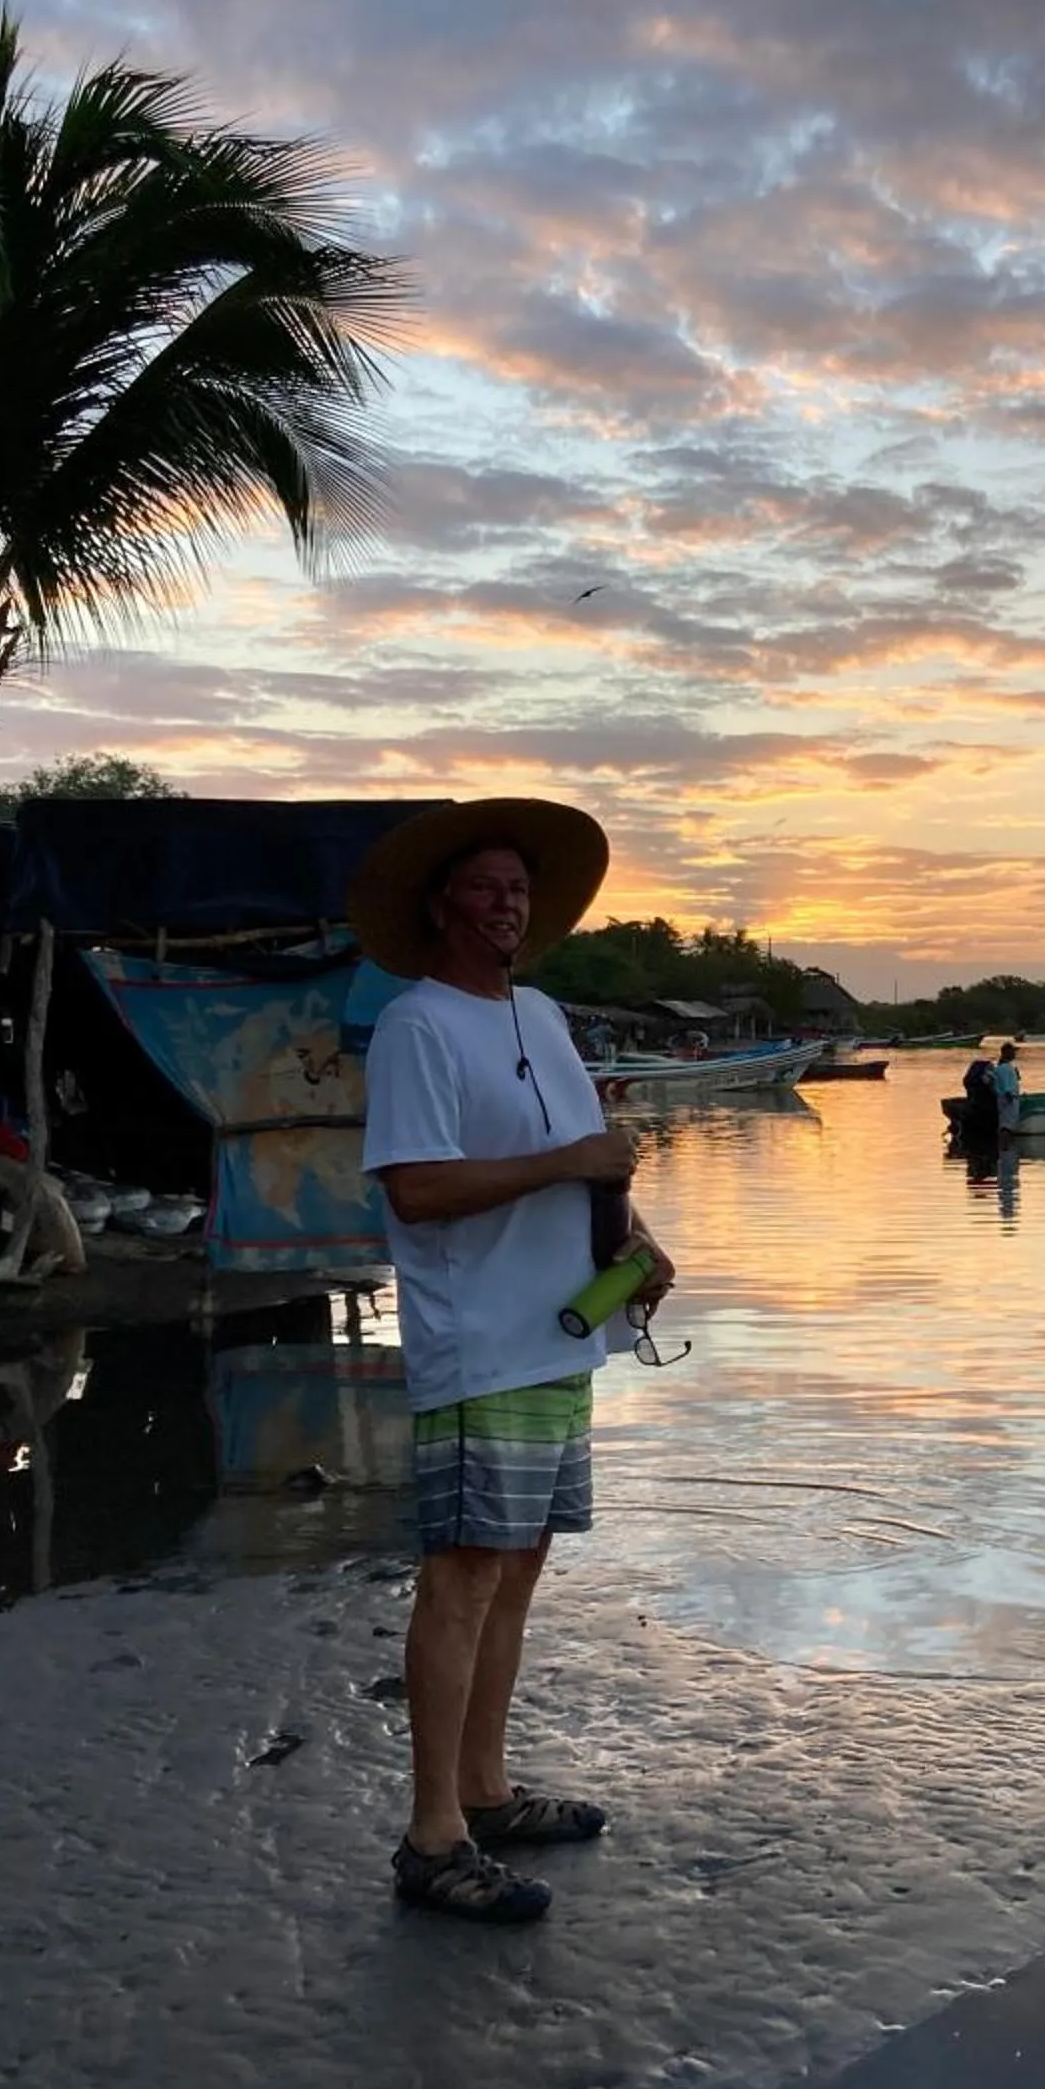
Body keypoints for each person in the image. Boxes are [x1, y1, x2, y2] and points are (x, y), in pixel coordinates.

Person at [351, 797, 673, 1924]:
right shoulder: (418, 1027)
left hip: (558, 1333)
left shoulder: (539, 1014)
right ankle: (431, 1834)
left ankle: (485, 1791)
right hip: (474, 1340)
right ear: (442, 904)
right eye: (485, 887)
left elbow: (590, 1165)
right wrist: (563, 1163)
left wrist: (633, 1244)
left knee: (522, 1563)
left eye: (520, 891)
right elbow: (417, 1185)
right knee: (464, 1574)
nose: (507, 906)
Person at [992, 1041, 1024, 1138]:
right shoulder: (1005, 1068)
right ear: (1007, 1053)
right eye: (1013, 1051)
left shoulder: (1003, 1067)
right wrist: (1011, 1100)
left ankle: (1005, 1148)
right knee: (1006, 1127)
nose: (1015, 1054)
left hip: (1007, 1100)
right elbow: (1006, 1088)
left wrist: (1016, 1077)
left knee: (1007, 1126)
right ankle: (1004, 1148)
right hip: (1008, 1101)